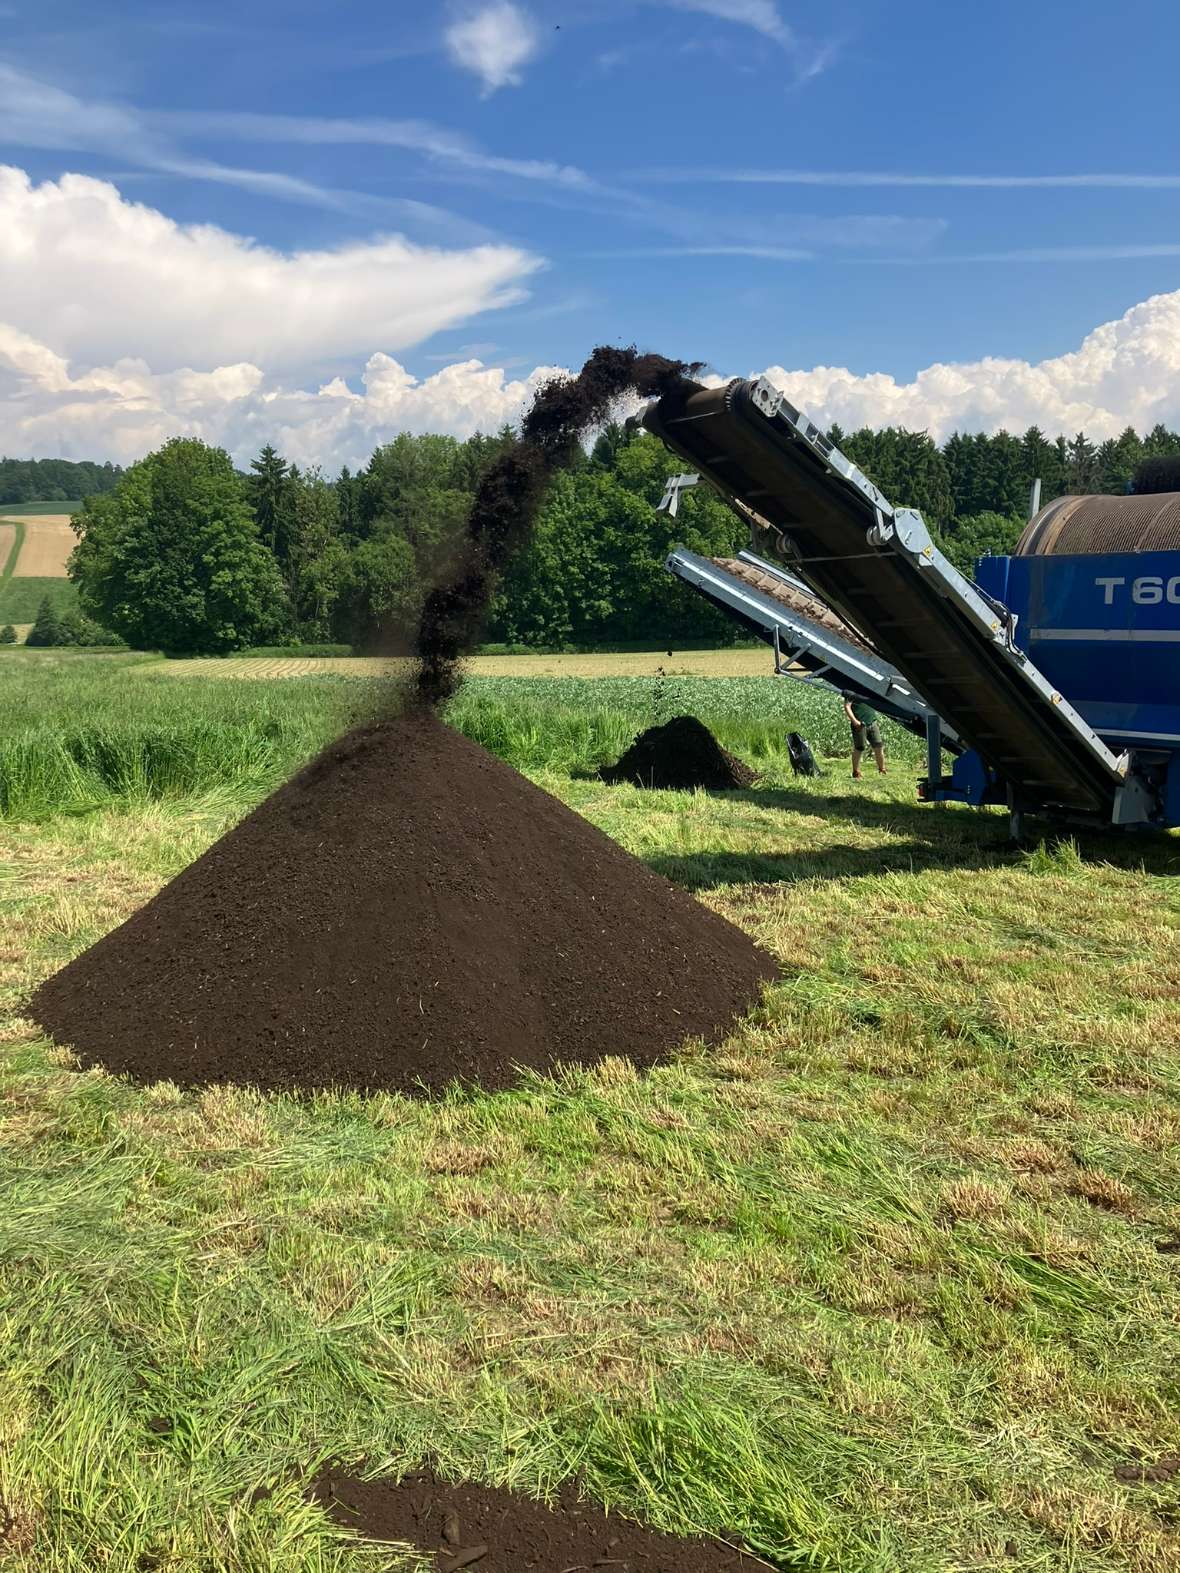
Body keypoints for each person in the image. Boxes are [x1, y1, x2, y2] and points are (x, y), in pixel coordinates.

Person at [842, 693, 886, 779]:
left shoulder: (868, 689)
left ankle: (882, 770)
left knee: (878, 746)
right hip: (859, 724)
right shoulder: (851, 690)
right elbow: (847, 706)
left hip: (872, 722)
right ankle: (856, 772)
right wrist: (855, 722)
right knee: (859, 748)